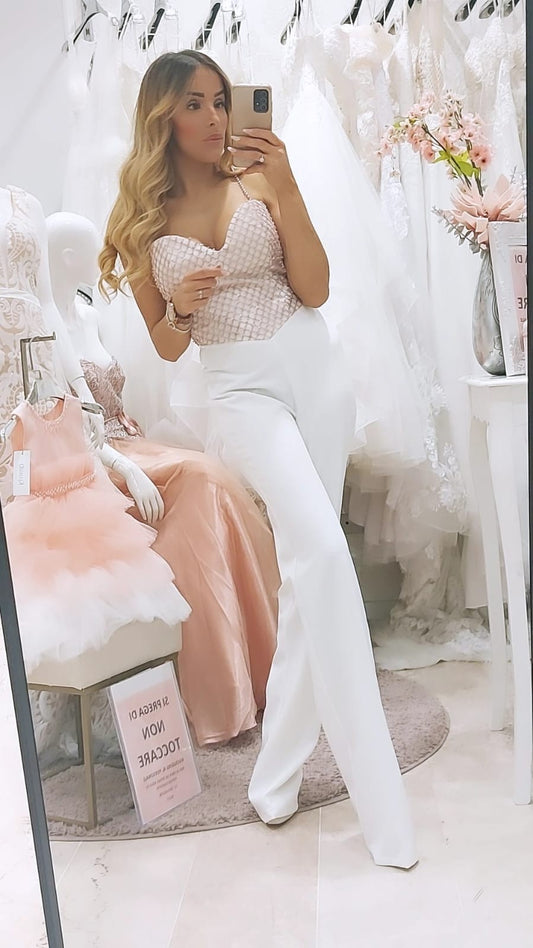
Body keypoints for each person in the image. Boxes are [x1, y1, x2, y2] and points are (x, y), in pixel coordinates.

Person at [99, 49, 417, 869]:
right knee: (321, 555)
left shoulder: (259, 175)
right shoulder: (137, 217)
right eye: (193, 105)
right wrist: (178, 308)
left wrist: (288, 188)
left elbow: (315, 289)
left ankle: (275, 780)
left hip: (314, 369)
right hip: (240, 390)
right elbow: (168, 347)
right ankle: (385, 809)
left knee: (308, 575)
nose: (213, 118)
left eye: (219, 100)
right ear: (162, 116)